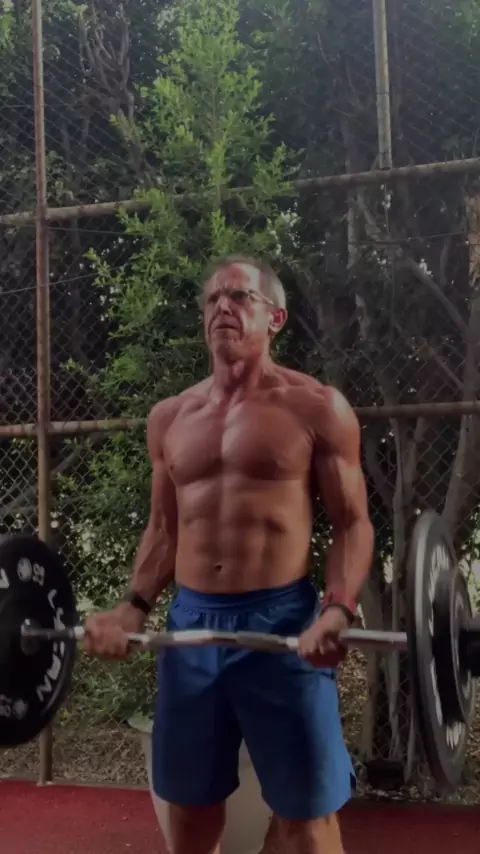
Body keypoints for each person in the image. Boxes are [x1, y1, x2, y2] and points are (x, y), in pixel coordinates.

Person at [84, 256, 374, 854]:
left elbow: (352, 524)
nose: (223, 307)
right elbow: (164, 528)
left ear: (275, 318)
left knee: (307, 823)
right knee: (190, 817)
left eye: (240, 297)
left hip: (283, 625)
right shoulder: (171, 417)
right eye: (213, 299)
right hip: (192, 627)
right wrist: (134, 605)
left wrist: (338, 608)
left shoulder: (318, 407)